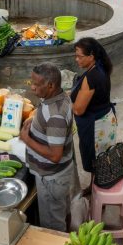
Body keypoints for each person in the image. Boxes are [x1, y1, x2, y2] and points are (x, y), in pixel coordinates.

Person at [19, 63, 76, 232]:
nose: (33, 88)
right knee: (62, 212)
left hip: (52, 178)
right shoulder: (58, 96)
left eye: (36, 84)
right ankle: (67, 231)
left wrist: (26, 139)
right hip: (60, 174)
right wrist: (36, 119)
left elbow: (55, 155)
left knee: (53, 226)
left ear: (50, 85)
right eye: (32, 83)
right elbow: (46, 113)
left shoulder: (56, 115)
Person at [71, 38, 115, 192]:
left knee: (95, 157)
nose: (77, 59)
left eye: (79, 56)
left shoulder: (92, 77)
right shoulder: (100, 67)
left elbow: (78, 110)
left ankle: (99, 193)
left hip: (96, 125)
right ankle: (94, 187)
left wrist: (62, 101)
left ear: (91, 56)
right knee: (99, 157)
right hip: (105, 119)